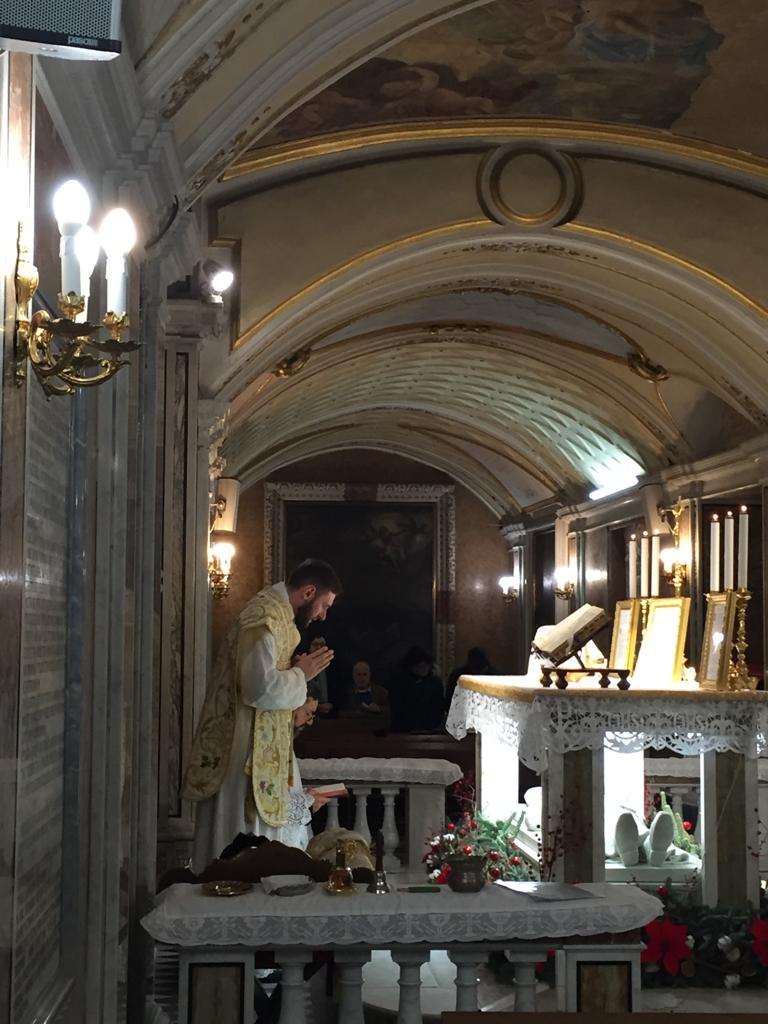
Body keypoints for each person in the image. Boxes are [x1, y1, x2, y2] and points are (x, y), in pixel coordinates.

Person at [183, 558, 341, 872]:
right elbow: (258, 688)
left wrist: (294, 674)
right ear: (309, 592)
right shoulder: (264, 617)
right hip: (245, 751)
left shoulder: (279, 616)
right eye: (324, 605)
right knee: (242, 846)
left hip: (261, 746)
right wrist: (301, 674)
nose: (323, 615)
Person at [388, 645, 444, 733]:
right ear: (411, 666)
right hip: (404, 729)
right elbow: (397, 707)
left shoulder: (435, 683)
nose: (424, 669)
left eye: (426, 665)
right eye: (419, 666)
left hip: (429, 728)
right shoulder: (399, 682)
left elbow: (439, 707)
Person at [309, 635, 334, 714]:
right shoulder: (302, 667)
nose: (319, 648)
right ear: (309, 647)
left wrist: (332, 705)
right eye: (315, 644)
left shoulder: (334, 669)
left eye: (322, 645)